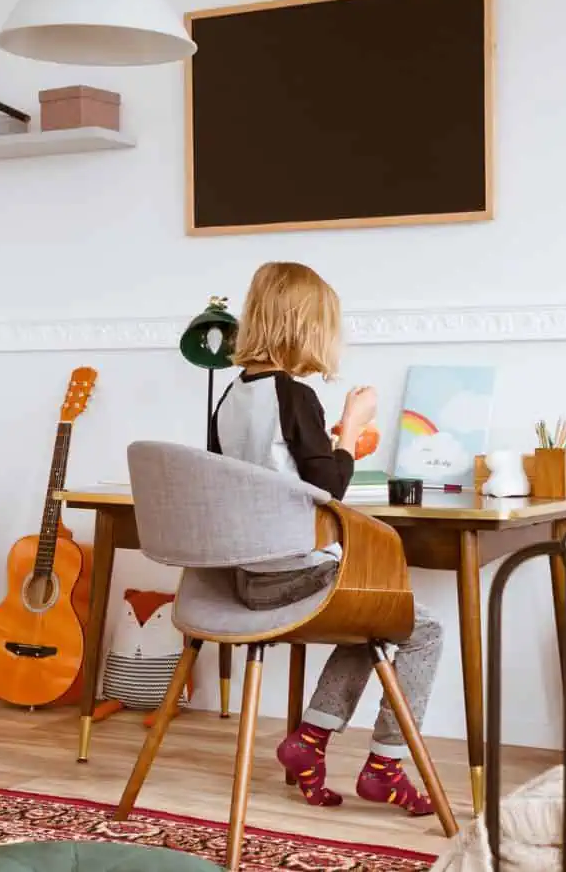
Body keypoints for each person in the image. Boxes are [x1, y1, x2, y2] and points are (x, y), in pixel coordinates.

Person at [208, 261, 442, 817]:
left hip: (249, 582)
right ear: (305, 327)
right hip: (296, 576)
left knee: (372, 621)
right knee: (423, 628)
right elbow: (329, 486)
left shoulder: (229, 399)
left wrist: (336, 445)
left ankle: (309, 743)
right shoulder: (292, 395)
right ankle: (384, 767)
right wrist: (353, 426)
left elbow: (259, 479)